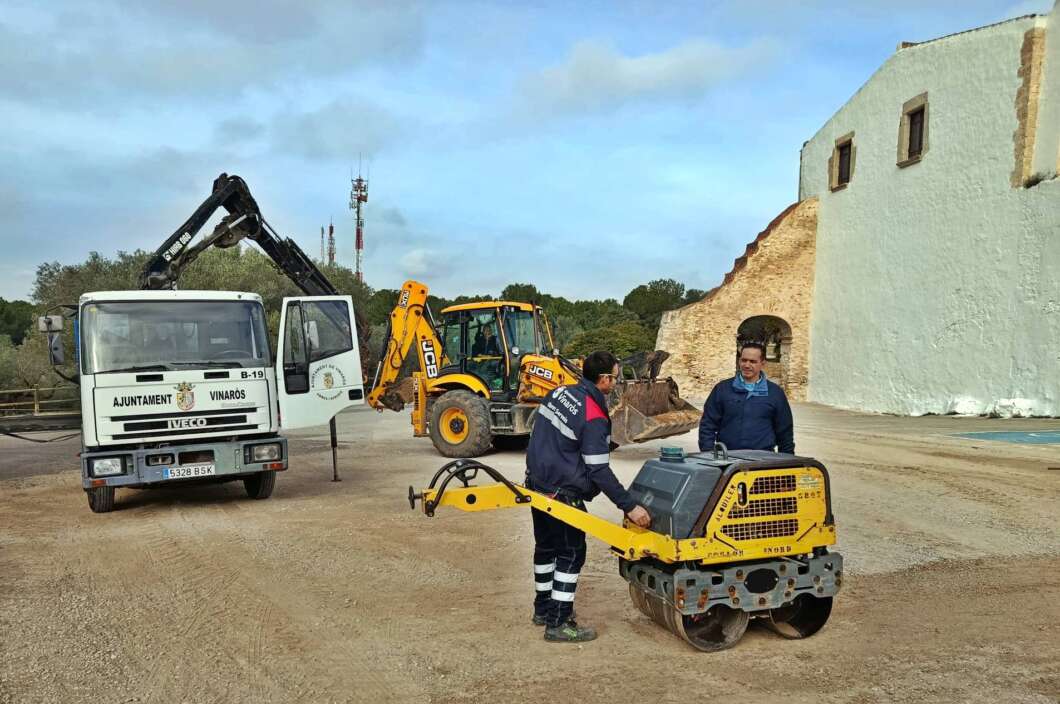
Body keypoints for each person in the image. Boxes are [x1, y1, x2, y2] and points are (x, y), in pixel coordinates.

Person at [525, 350, 652, 643]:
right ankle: (558, 623)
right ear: (605, 379)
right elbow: (598, 470)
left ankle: (542, 609)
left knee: (546, 548)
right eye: (616, 377)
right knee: (571, 552)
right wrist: (629, 506)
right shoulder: (594, 413)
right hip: (562, 491)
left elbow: (551, 437)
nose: (616, 382)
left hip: (536, 483)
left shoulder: (558, 394)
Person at [699, 341, 795, 454]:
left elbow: (785, 432)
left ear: (763, 363)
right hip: (726, 458)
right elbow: (707, 425)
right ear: (739, 360)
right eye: (744, 360)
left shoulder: (775, 393)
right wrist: (708, 454)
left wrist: (786, 461)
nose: (747, 365)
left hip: (763, 461)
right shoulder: (722, 389)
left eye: (753, 361)